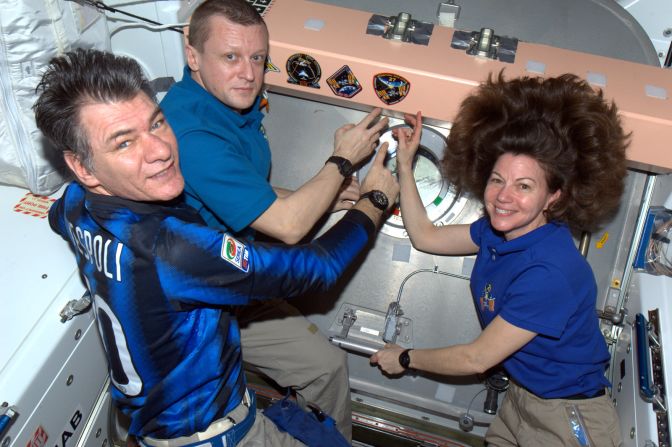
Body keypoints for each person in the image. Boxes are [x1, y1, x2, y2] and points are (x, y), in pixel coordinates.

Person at [35, 48, 398, 446]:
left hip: (158, 411)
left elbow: (55, 216)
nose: (160, 150)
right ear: (83, 166)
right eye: (124, 143)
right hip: (215, 434)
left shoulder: (76, 204)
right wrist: (375, 202)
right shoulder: (173, 251)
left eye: (156, 123)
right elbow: (319, 267)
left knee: (322, 365)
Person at [160, 0, 388, 439]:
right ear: (193, 56)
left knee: (326, 366)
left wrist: (329, 197)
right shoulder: (191, 132)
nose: (248, 73)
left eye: (257, 58)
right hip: (197, 308)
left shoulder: (230, 106)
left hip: (234, 280)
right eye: (230, 57)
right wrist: (341, 161)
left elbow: (248, 194)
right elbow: (287, 226)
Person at [370, 73, 628, 446]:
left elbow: (476, 359)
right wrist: (406, 167)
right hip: (523, 398)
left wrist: (405, 358)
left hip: (568, 417)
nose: (503, 196)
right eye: (497, 180)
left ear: (554, 196)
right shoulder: (496, 232)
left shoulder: (550, 271)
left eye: (524, 186)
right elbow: (426, 236)